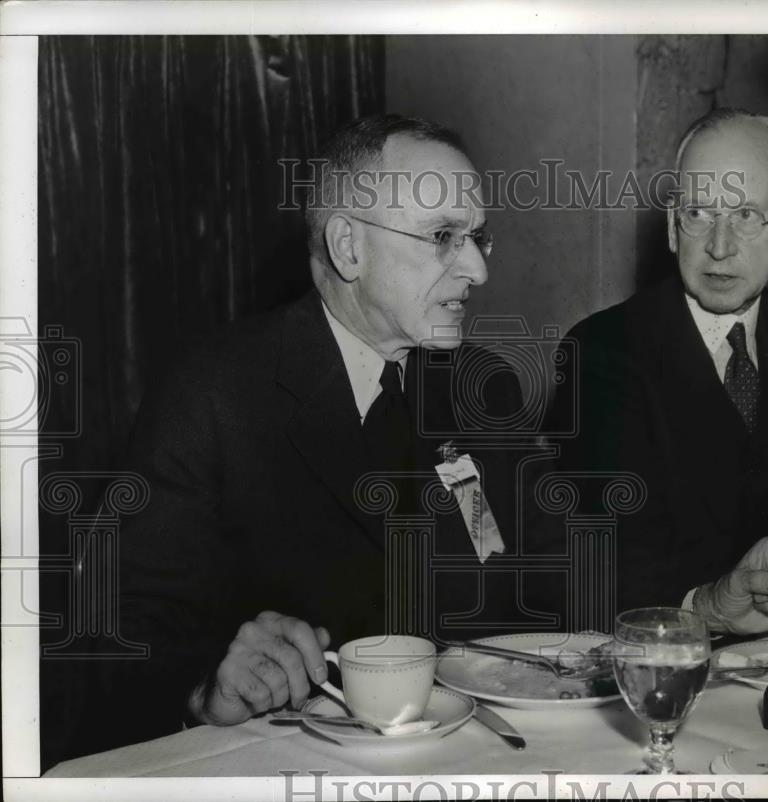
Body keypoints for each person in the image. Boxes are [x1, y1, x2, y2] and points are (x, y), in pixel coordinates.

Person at [93, 114, 530, 749]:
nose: (478, 270)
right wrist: (205, 681)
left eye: (478, 238)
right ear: (349, 247)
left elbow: (535, 590)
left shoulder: (485, 388)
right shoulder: (215, 391)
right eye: (443, 236)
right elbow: (116, 629)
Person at [548, 108, 768, 633]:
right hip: (666, 649)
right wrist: (719, 600)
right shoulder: (603, 353)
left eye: (745, 216)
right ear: (674, 226)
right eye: (698, 214)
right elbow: (606, 561)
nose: (719, 247)